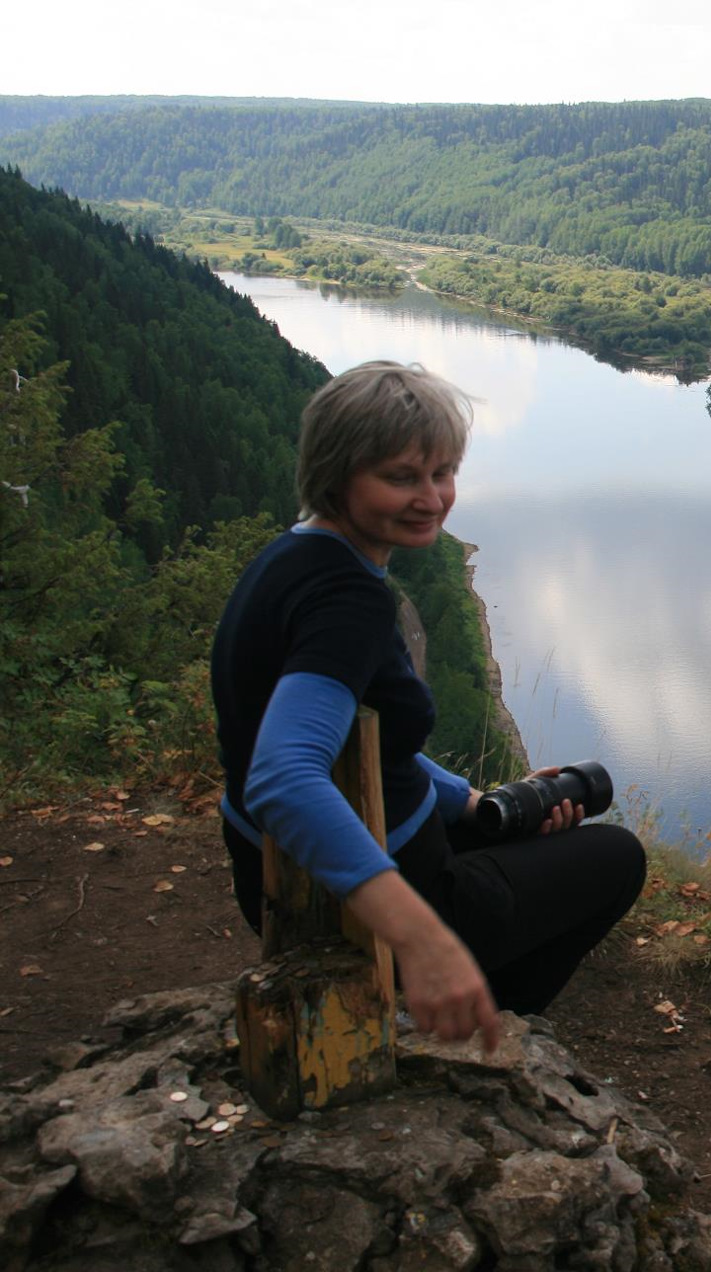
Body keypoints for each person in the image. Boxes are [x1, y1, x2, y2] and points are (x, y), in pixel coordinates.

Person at [212, 361, 646, 1049]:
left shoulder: (293, 559)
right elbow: (283, 778)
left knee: (534, 824)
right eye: (401, 477)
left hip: (286, 870)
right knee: (616, 856)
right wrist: (420, 938)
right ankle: (482, 1024)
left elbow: (373, 749)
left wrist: (473, 807)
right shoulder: (348, 603)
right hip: (362, 896)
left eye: (443, 472)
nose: (433, 498)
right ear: (336, 473)